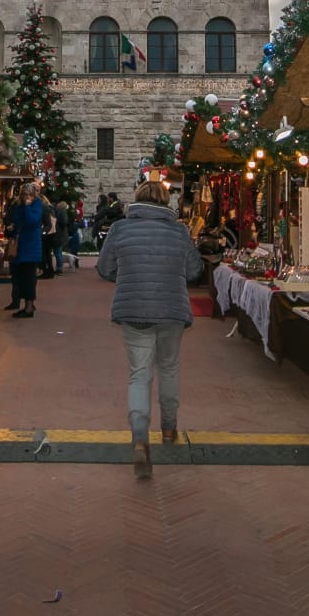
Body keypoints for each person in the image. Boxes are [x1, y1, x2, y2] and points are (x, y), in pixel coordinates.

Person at [97, 180, 204, 479]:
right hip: (171, 311)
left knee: (139, 374)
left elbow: (105, 269)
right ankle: (169, 429)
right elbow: (196, 271)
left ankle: (140, 437)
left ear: (138, 199)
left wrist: (128, 275)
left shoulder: (120, 228)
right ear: (165, 201)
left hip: (134, 311)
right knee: (168, 367)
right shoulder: (179, 231)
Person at [4, 181, 52, 318]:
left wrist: (27, 207)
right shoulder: (17, 205)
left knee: (29, 277)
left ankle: (29, 307)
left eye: (29, 194)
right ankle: (21, 303)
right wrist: (11, 226)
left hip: (31, 247)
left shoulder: (36, 205)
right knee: (19, 277)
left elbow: (32, 220)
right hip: (20, 245)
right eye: (24, 194)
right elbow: (13, 219)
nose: (26, 196)